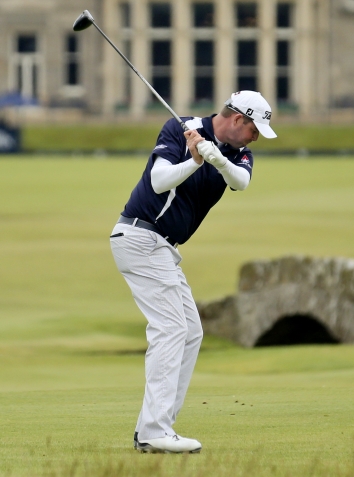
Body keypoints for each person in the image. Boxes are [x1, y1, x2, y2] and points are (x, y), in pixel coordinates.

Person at [109, 90, 276, 454]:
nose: (256, 137)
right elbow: (158, 181)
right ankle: (155, 430)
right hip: (141, 235)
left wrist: (216, 158)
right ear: (237, 119)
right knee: (171, 329)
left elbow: (240, 181)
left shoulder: (240, 153)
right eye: (254, 129)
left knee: (190, 332)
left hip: (163, 248)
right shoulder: (178, 129)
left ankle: (156, 426)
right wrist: (196, 161)